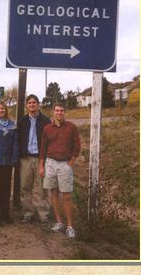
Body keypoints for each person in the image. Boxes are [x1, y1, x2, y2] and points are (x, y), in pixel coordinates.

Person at [39, 102, 81, 239]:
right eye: (57, 110)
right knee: (54, 194)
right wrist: (41, 165)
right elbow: (43, 149)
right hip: (50, 163)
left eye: (61, 110)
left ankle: (70, 226)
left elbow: (77, 147)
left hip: (65, 164)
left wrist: (70, 163)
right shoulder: (47, 129)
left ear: (64, 112)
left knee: (66, 196)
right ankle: (59, 222)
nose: (59, 113)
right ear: (53, 112)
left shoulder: (71, 128)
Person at [17, 94, 51, 224]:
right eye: (29, 103)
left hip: (40, 159)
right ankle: (28, 213)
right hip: (25, 159)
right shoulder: (22, 122)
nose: (32, 105)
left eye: (34, 102)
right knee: (25, 187)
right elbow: (18, 140)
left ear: (38, 104)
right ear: (26, 105)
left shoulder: (46, 121)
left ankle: (43, 214)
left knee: (42, 187)